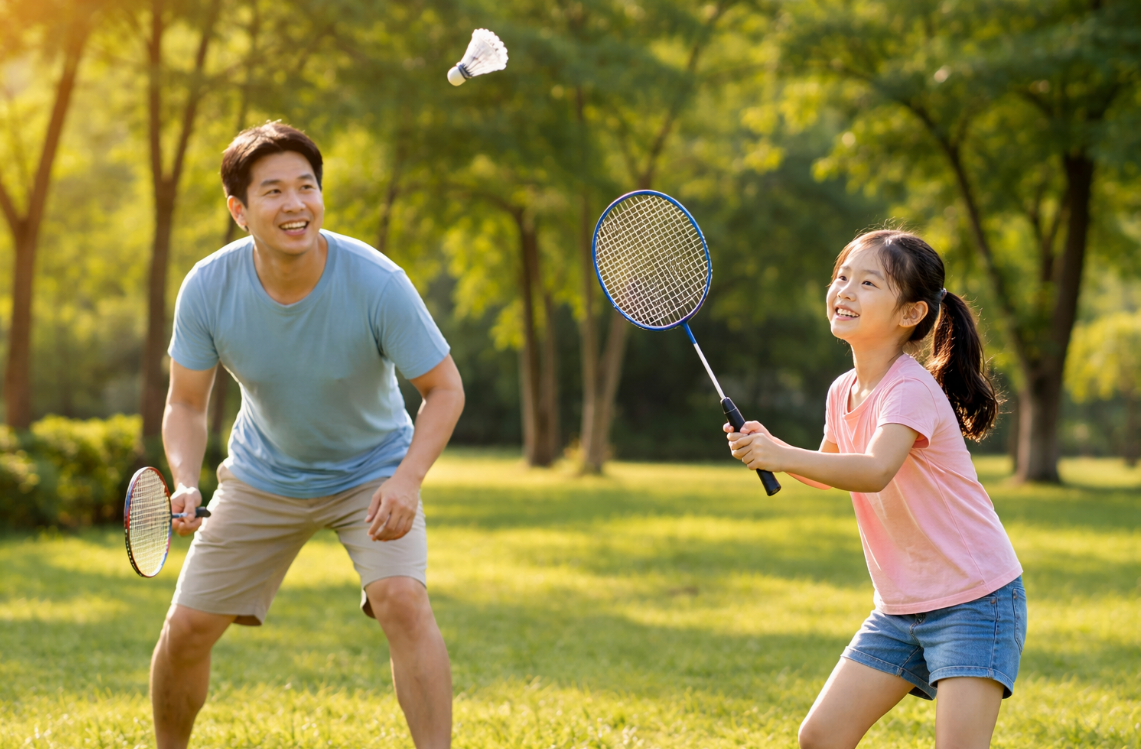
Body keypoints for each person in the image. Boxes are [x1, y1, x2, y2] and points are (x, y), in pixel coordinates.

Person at [149, 122, 464, 749]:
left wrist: (406, 481)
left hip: (371, 471)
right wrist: (184, 479)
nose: (295, 204)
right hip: (263, 474)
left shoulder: (376, 281)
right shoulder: (208, 287)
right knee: (185, 630)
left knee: (403, 601)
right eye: (273, 191)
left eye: (306, 186)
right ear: (239, 210)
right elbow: (184, 402)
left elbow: (445, 389)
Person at [726, 230, 1026, 749]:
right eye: (842, 277)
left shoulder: (909, 388)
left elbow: (874, 470)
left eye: (868, 283)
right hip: (900, 607)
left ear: (910, 313)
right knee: (821, 737)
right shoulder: (842, 389)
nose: (845, 290)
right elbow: (830, 466)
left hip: (974, 599)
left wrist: (781, 455)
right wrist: (768, 447)